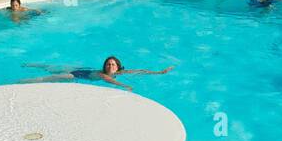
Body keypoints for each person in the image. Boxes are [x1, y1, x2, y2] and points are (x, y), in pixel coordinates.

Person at [19, 56, 173, 92]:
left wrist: (159, 72)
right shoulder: (103, 75)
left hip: (83, 71)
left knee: (52, 71)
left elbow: (140, 71)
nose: (110, 65)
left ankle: (30, 68)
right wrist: (124, 85)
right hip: (76, 75)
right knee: (49, 75)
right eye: (108, 64)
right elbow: (108, 80)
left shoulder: (120, 71)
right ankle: (23, 80)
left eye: (112, 64)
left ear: (117, 67)